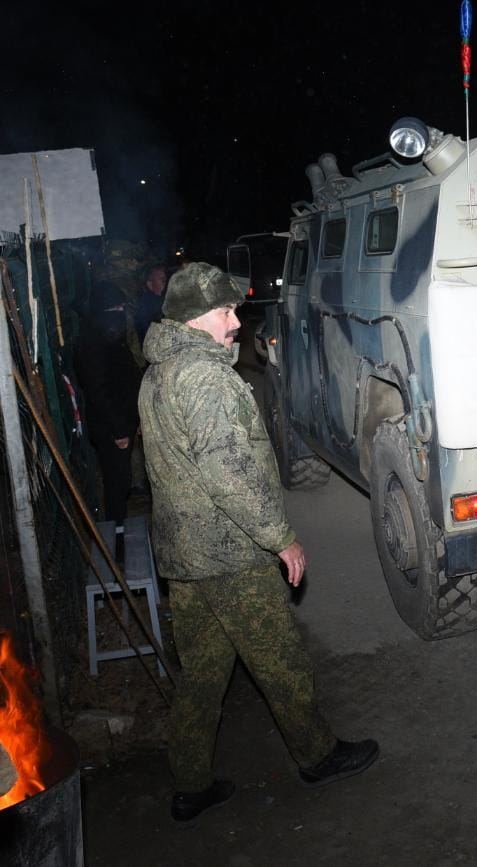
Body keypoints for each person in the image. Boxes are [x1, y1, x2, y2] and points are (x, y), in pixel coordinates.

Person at [138, 263, 378, 826]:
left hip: (184, 555)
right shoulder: (206, 378)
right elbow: (231, 474)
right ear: (201, 317)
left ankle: (190, 783)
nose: (237, 321)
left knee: (201, 672)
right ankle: (318, 755)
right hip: (228, 553)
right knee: (280, 661)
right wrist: (281, 538)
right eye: (228, 310)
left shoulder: (158, 371)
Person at [76, 281, 143, 559]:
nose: (120, 313)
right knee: (116, 485)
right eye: (115, 308)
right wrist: (119, 430)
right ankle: (116, 547)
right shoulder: (94, 342)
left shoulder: (108, 335)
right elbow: (99, 391)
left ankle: (119, 536)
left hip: (121, 424)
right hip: (112, 430)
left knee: (121, 481)